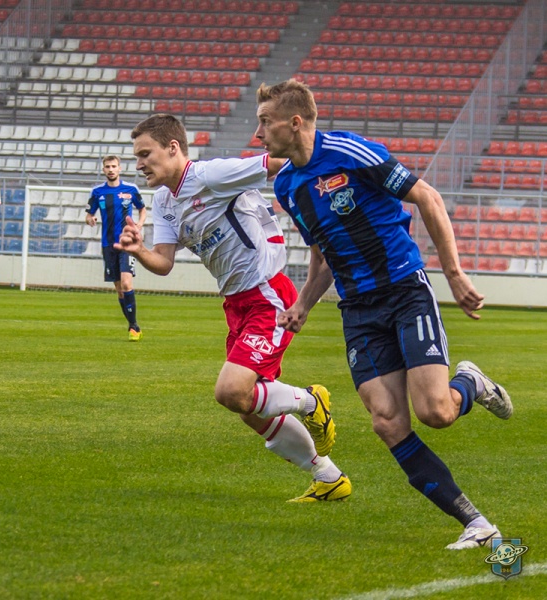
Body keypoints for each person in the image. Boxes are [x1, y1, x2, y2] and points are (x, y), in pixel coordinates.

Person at [257, 79, 513, 546]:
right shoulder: (287, 186)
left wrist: (454, 274)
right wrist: (303, 305)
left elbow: (427, 197)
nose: (259, 133)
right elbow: (322, 253)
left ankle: (470, 383)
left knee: (436, 412)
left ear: (294, 123)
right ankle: (476, 525)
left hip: (403, 291)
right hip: (357, 309)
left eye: (265, 122)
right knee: (387, 421)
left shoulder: (351, 152)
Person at [116, 113, 351, 502]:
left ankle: (311, 401)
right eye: (137, 156)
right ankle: (328, 477)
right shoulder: (163, 201)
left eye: (145, 154)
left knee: (230, 391)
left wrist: (317, 197)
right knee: (248, 407)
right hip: (236, 303)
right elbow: (164, 262)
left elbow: (278, 162)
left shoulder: (211, 175)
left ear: (173, 148)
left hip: (267, 293)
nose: (139, 164)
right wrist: (138, 250)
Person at [87, 155, 147, 341]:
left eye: (114, 166)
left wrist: (139, 225)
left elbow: (142, 209)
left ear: (120, 168)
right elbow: (89, 214)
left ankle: (134, 327)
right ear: (103, 169)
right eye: (107, 167)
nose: (111, 169)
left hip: (127, 243)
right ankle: (132, 324)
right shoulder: (97, 192)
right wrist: (91, 219)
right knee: (119, 289)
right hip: (108, 245)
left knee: (127, 283)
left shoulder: (131, 189)